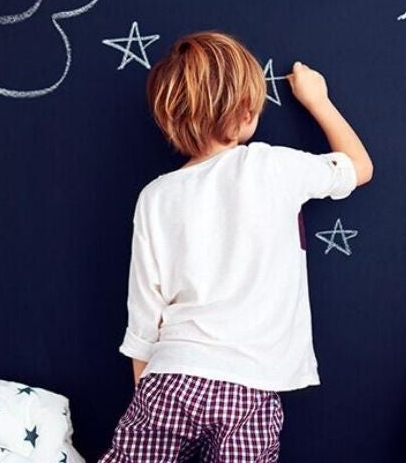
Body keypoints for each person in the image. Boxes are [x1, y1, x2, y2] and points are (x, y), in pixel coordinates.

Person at [100, 31, 374, 462]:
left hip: (170, 374)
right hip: (249, 384)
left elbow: (143, 311)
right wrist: (317, 99)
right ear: (246, 109)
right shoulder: (273, 165)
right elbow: (359, 168)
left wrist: (145, 394)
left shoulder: (155, 194)